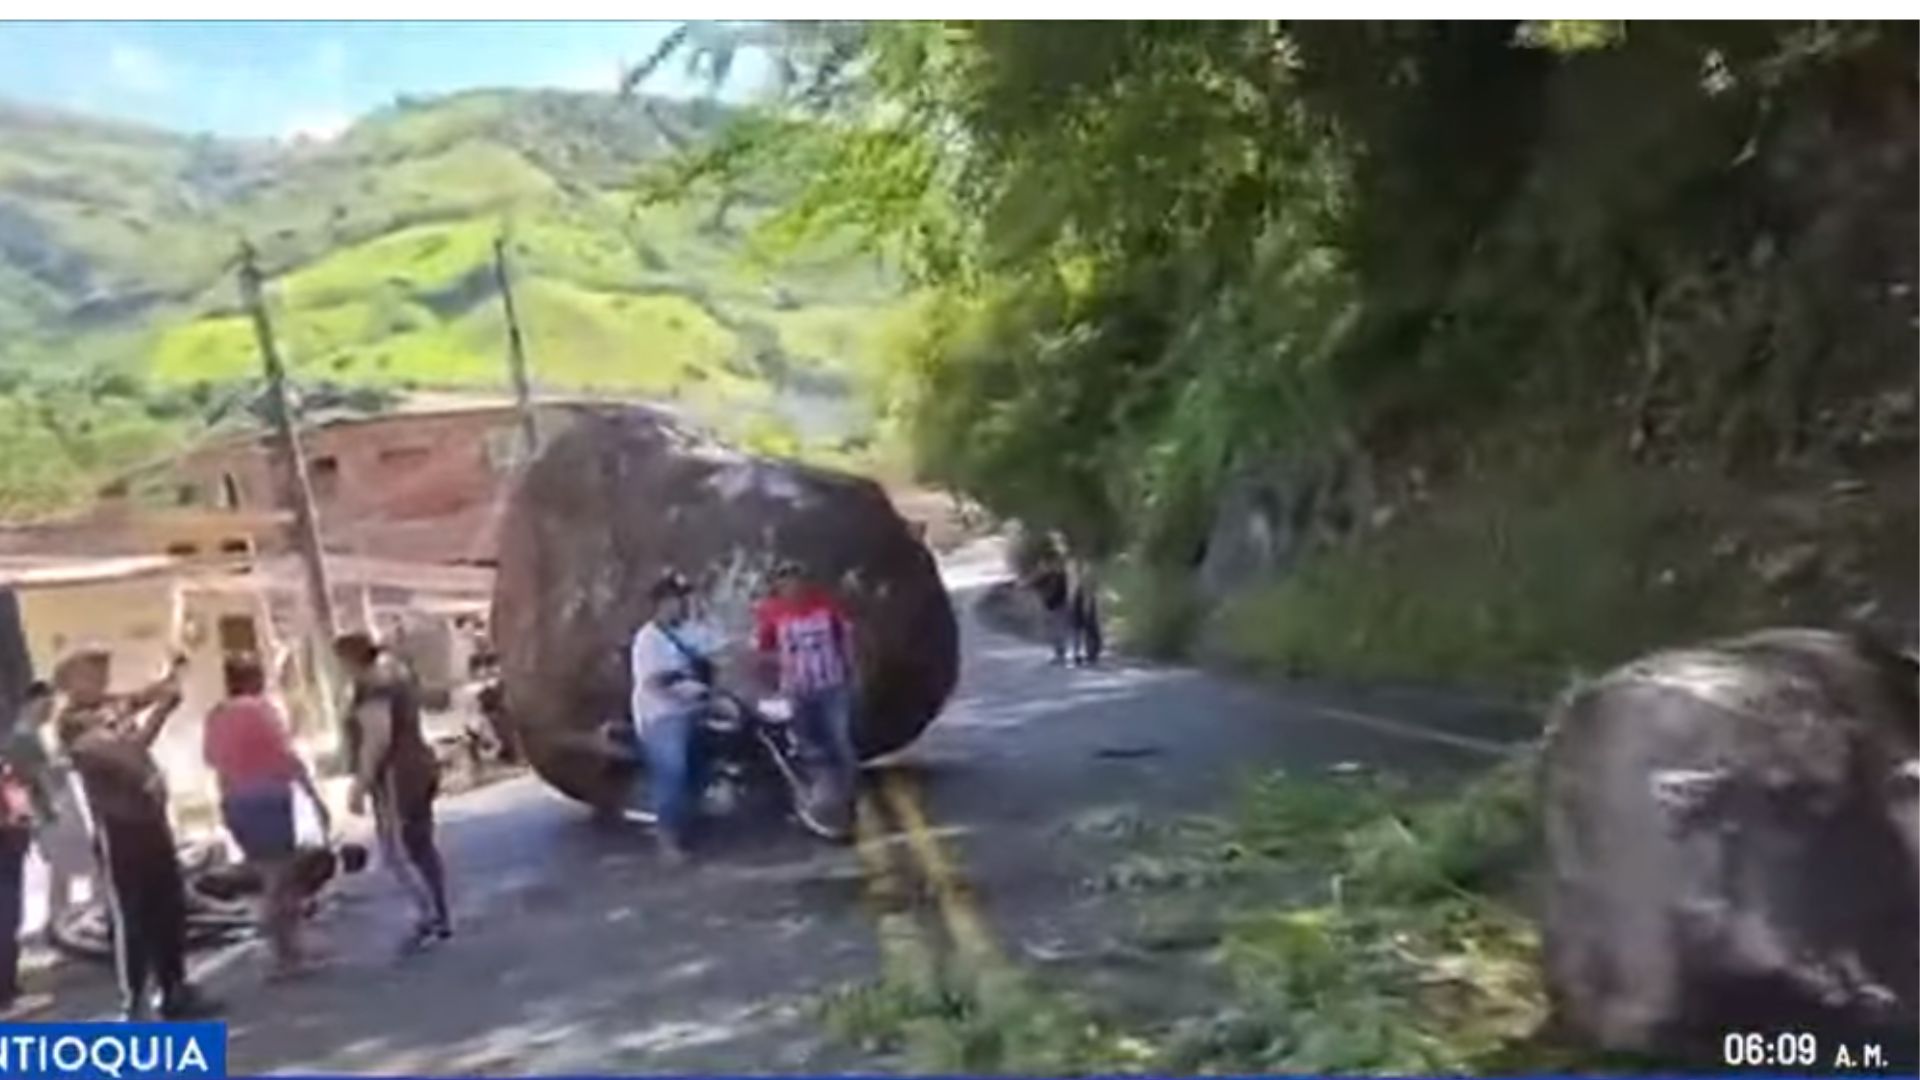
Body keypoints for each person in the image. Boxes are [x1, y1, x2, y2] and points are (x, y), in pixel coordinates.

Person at [52, 645, 220, 1021]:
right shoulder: (73, 721)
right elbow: (114, 751)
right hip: (119, 826)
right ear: (68, 682)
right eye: (90, 671)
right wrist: (145, 771)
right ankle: (136, 1002)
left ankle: (175, 989)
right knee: (133, 915)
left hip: (149, 819)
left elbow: (145, 720)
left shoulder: (111, 707)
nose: (100, 676)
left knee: (168, 906)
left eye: (102, 669)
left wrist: (167, 694)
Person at [202, 653, 332, 980]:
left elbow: (211, 759)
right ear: (255, 679)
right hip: (267, 798)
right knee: (280, 879)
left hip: (235, 799)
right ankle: (284, 957)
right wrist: (314, 797)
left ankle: (290, 950)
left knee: (269, 875)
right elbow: (285, 756)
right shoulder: (262, 710)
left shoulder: (216, 716)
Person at [334, 632, 450, 956]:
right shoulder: (395, 675)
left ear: (349, 660)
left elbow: (378, 737)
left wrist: (359, 784)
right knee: (420, 844)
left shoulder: (373, 688)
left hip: (395, 776)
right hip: (417, 765)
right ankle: (437, 912)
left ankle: (428, 913)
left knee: (398, 850)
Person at [754, 562, 859, 827]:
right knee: (806, 745)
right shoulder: (772, 613)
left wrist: (850, 667)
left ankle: (848, 797)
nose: (792, 586)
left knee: (840, 741)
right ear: (778, 586)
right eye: (785, 581)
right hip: (796, 690)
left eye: (796, 580)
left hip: (831, 684)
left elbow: (845, 636)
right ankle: (819, 799)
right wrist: (772, 675)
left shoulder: (825, 605)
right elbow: (762, 649)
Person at [628, 571, 716, 863]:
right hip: (661, 717)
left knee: (700, 771)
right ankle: (667, 841)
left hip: (688, 713)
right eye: (674, 600)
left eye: (681, 599)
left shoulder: (684, 632)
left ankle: (687, 824)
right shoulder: (648, 639)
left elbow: (714, 651)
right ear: (660, 604)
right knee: (671, 776)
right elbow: (655, 683)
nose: (679, 605)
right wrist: (696, 695)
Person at [1, 682, 59, 1018]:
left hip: (11, 829)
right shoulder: (18, 740)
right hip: (6, 832)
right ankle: (5, 996)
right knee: (6, 912)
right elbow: (18, 787)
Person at [1025, 552, 1071, 665]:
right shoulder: (1048, 576)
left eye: (1046, 564)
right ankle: (1059, 653)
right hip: (1051, 605)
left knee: (1057, 630)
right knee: (1054, 631)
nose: (1045, 566)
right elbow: (1031, 583)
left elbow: (1062, 592)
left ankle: (1061, 654)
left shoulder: (1060, 576)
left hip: (1058, 605)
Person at [1066, 555, 1104, 667]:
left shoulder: (1083, 578)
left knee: (1085, 630)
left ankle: (1086, 652)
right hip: (1081, 605)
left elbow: (1088, 593)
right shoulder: (1080, 578)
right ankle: (1083, 653)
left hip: (1084, 605)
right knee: (1083, 630)